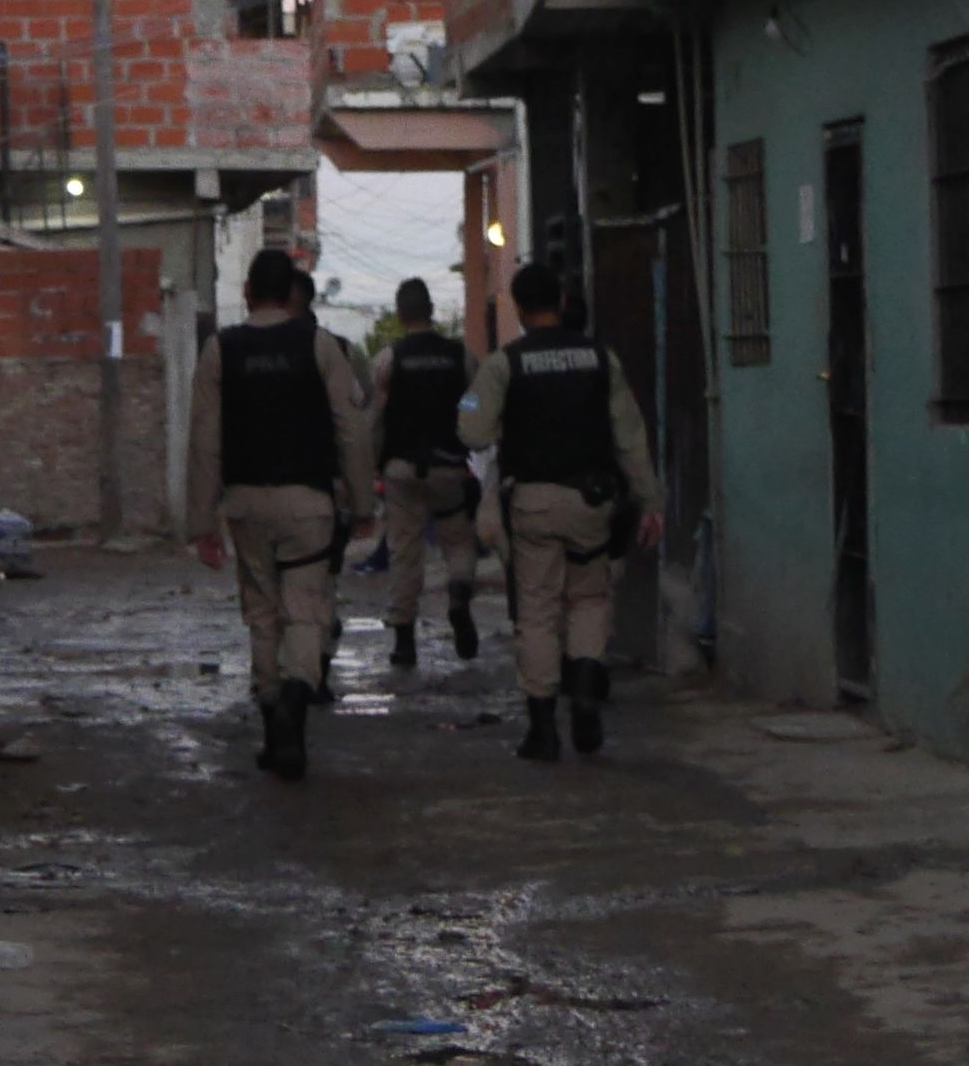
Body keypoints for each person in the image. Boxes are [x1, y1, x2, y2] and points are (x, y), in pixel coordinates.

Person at [457, 262, 662, 762]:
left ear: (521, 309)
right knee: (589, 599)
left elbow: (472, 431)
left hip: (533, 503)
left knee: (538, 610)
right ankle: (588, 684)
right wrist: (650, 501)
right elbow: (630, 435)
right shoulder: (600, 357)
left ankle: (544, 728)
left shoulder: (506, 364)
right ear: (564, 302)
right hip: (593, 501)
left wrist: (488, 412)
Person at [186, 247, 376, 780]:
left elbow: (204, 442)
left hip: (246, 504)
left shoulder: (221, 349)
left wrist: (202, 522)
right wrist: (363, 503)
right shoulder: (319, 346)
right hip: (309, 504)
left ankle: (274, 727)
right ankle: (296, 698)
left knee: (263, 613)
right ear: (292, 293)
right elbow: (352, 427)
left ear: (248, 292)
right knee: (306, 609)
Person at [369, 275, 483, 670]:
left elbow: (377, 417)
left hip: (403, 470)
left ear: (401, 314)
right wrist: (465, 440)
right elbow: (473, 407)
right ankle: (458, 594)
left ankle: (404, 641)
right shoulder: (460, 356)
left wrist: (373, 465)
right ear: (431, 311)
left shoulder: (389, 358)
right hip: (449, 468)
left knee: (405, 554)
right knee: (458, 542)